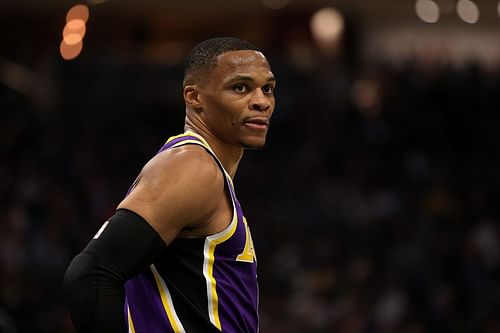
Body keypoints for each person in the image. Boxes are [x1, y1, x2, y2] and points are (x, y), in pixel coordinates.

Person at [62, 36, 276, 333]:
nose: (261, 101)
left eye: (268, 88)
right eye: (240, 87)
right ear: (194, 97)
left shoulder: (203, 168)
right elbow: (90, 273)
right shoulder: (194, 166)